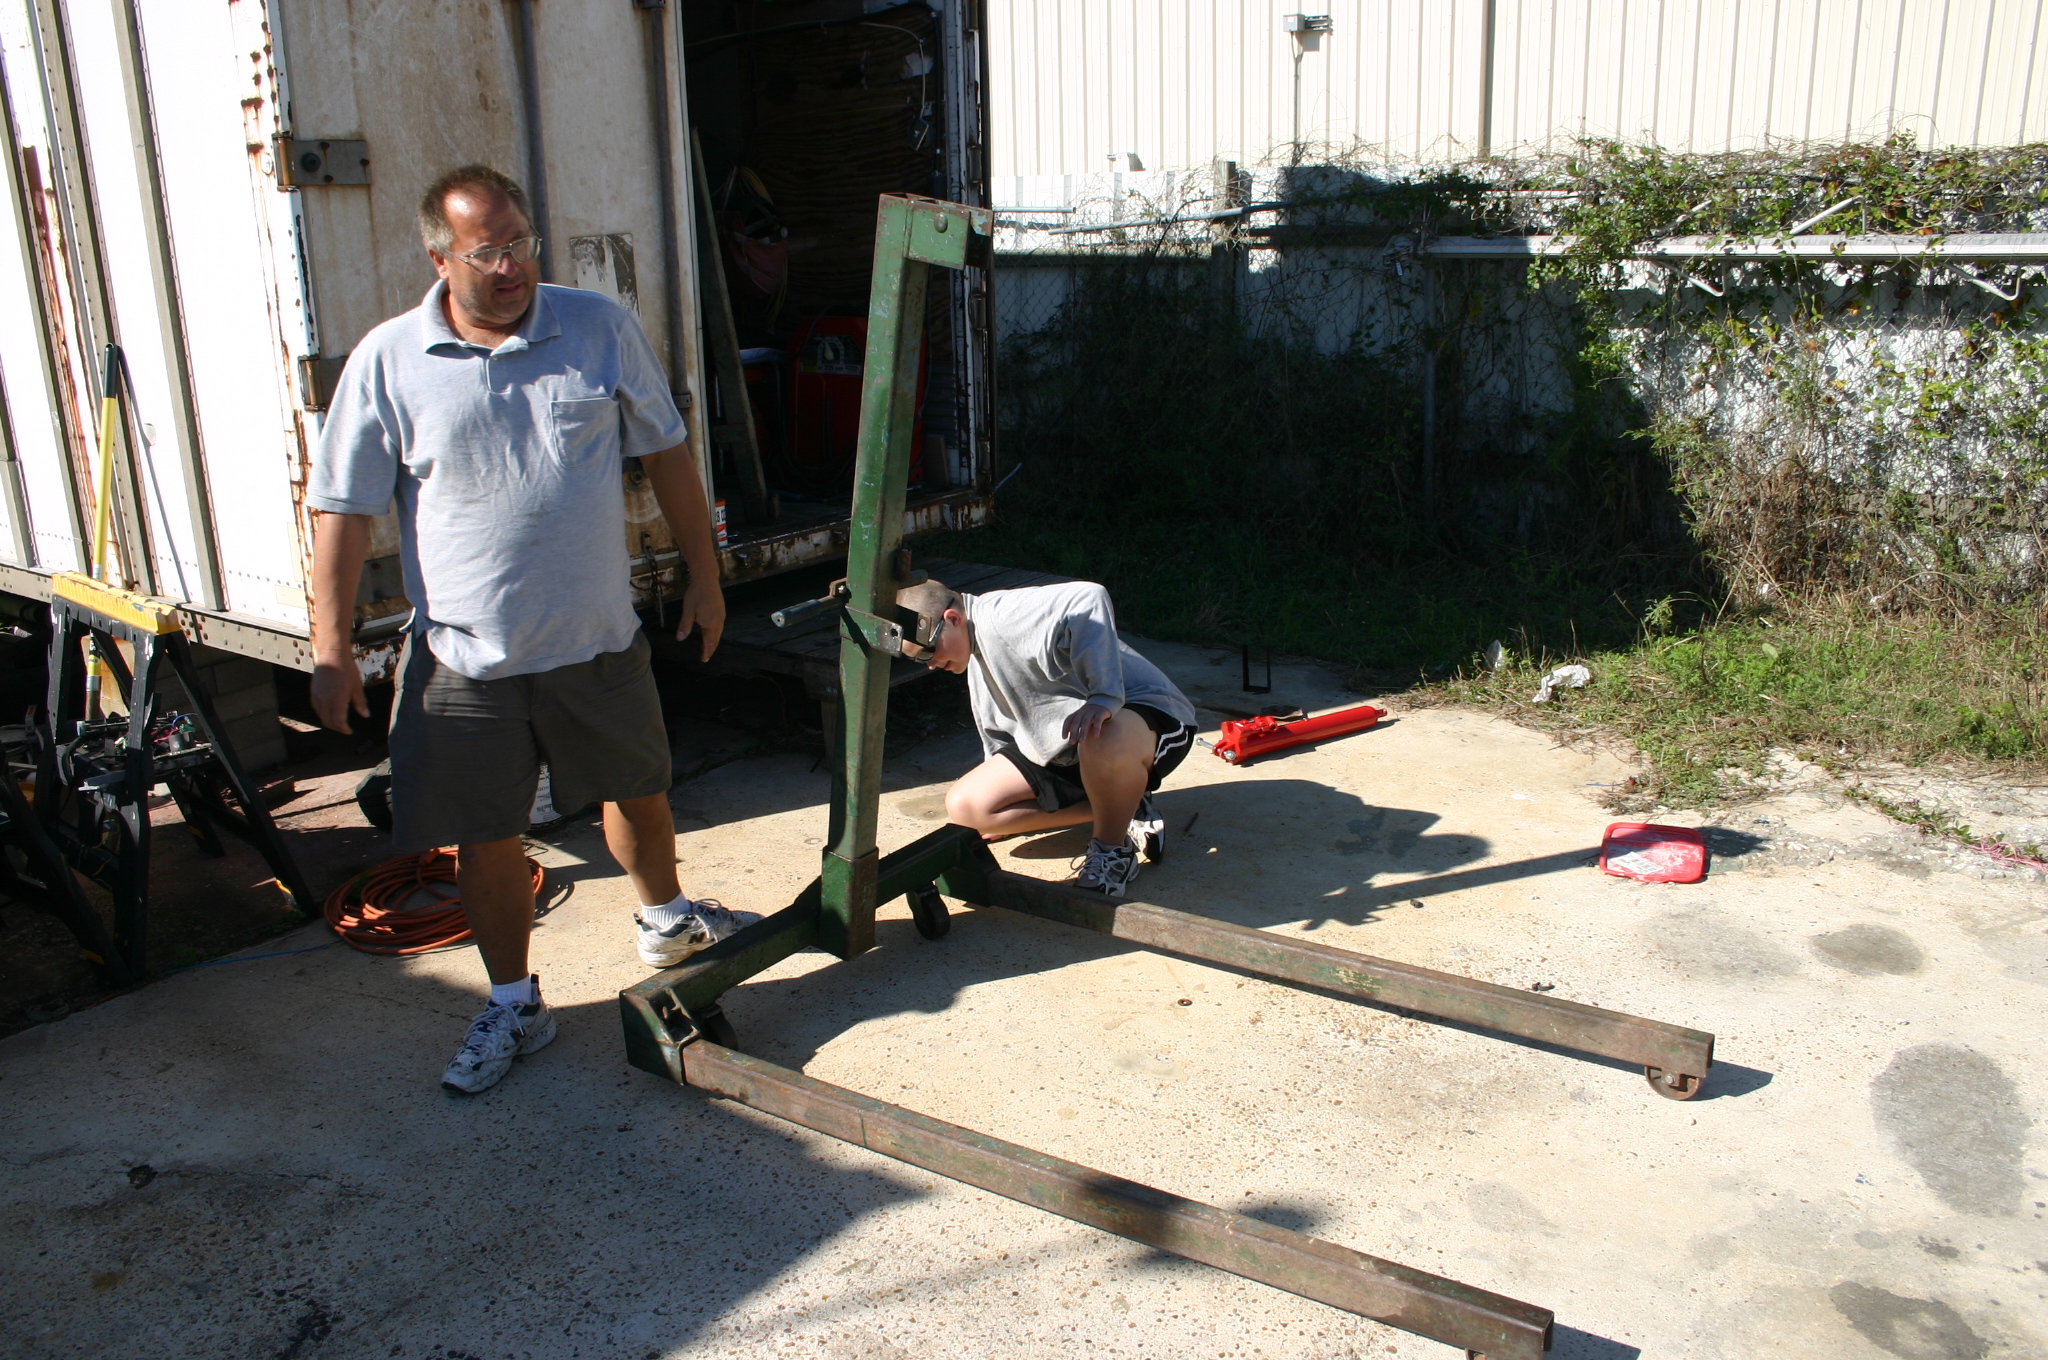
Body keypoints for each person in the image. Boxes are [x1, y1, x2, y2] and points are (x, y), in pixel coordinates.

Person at [307, 165, 760, 1096]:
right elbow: (342, 513)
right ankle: (516, 1003)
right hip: (464, 661)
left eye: (522, 243)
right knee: (486, 837)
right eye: (489, 252)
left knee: (640, 793)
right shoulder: (388, 361)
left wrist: (707, 579)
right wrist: (330, 649)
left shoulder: (597, 327)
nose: (512, 266)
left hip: (597, 640)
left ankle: (667, 920)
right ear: (439, 257)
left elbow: (668, 455)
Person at [902, 578, 1198, 897]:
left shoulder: (1004, 615)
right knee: (967, 808)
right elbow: (1002, 730)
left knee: (1102, 735)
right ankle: (1126, 801)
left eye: (926, 652)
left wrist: (1103, 697)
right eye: (918, 660)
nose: (929, 665)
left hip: (1147, 718)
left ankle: (1112, 852)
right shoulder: (974, 644)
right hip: (1071, 743)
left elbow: (1088, 596)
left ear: (952, 619)